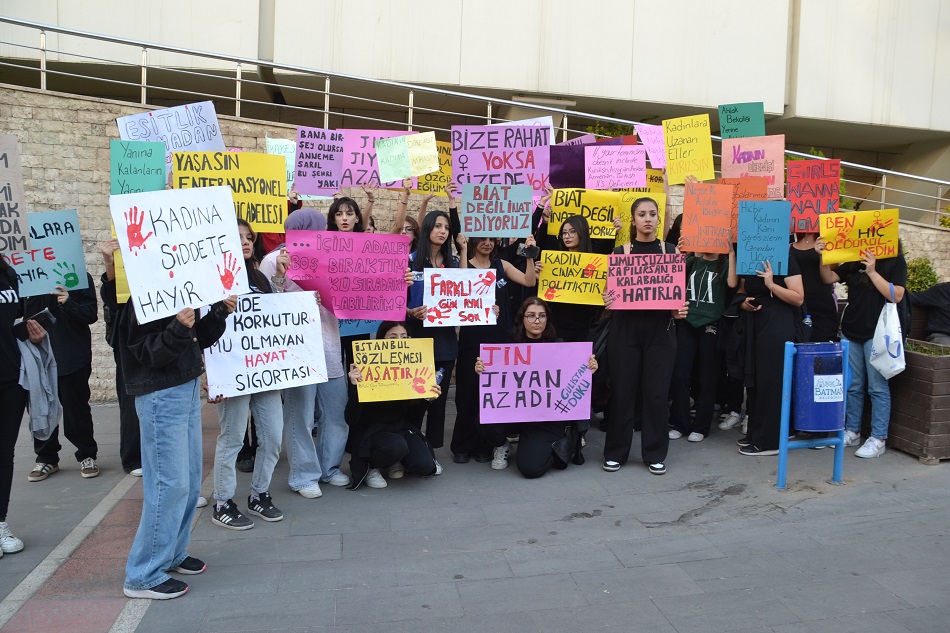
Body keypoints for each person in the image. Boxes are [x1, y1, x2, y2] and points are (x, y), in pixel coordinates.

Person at [117, 280, 236, 599]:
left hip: (183, 386)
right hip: (159, 394)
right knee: (168, 483)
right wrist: (177, 328)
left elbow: (199, 340)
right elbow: (143, 352)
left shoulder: (183, 289)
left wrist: (219, 313)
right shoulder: (143, 296)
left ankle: (171, 553)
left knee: (189, 479)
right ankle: (142, 574)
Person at [260, 209, 350, 497]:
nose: (324, 230)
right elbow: (264, 307)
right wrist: (280, 278)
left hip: (330, 347)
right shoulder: (274, 260)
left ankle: (330, 467)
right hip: (298, 352)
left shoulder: (330, 255)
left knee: (336, 412)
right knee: (300, 414)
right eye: (319, 226)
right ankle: (303, 476)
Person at [209, 220, 289, 530]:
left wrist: (280, 283)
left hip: (264, 369)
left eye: (248, 237)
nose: (245, 242)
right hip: (231, 373)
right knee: (232, 438)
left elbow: (276, 319)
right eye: (237, 236)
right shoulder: (214, 280)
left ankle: (259, 493)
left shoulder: (259, 276)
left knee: (271, 435)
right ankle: (223, 501)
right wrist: (209, 372)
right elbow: (205, 327)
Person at [602, 197, 688, 475]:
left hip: (660, 333)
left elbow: (677, 297)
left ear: (658, 219)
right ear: (633, 219)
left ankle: (654, 453)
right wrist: (608, 298)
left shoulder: (671, 252)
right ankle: (616, 452)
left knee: (656, 395)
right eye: (642, 214)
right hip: (624, 332)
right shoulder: (619, 253)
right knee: (622, 394)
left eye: (652, 213)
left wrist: (679, 311)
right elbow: (609, 294)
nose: (648, 218)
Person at [475, 297, 598, 478]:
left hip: (546, 419)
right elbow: (496, 383)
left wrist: (588, 369)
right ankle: (502, 445)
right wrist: (482, 369)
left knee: (531, 469)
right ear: (522, 319)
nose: (537, 321)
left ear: (548, 319)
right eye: (531, 316)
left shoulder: (562, 348)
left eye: (542, 316)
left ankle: (562, 440)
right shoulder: (508, 347)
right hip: (516, 413)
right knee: (484, 418)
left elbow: (575, 382)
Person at [451, 235, 536, 468]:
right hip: (471, 339)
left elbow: (529, 281)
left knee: (491, 395)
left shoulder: (502, 265)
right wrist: (464, 248)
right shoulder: (465, 265)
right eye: (482, 239)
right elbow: (460, 285)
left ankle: (485, 445)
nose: (487, 243)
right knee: (467, 394)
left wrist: (529, 254)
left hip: (500, 339)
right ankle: (461, 445)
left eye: (491, 239)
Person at [819, 243, 907, 458]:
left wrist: (872, 272)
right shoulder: (853, 258)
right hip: (852, 329)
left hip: (877, 333)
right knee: (853, 385)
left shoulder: (895, 261)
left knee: (877, 387)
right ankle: (852, 431)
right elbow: (828, 278)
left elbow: (896, 295)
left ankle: (878, 438)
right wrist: (823, 257)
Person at [345, 321, 441, 489]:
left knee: (425, 466)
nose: (399, 341)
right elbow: (350, 418)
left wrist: (427, 399)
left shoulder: (413, 367)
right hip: (371, 432)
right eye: (393, 336)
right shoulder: (365, 366)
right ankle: (371, 466)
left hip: (400, 428)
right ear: (382, 339)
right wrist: (355, 388)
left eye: (404, 337)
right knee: (396, 447)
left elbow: (413, 416)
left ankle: (398, 459)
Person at [23, 271, 99, 481]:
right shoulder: (26, 277)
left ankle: (87, 454)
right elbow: (15, 310)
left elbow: (91, 314)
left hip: (72, 353)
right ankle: (46, 457)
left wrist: (69, 302)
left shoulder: (78, 277)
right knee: (41, 406)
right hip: (38, 355)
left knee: (77, 408)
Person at [405, 211, 467, 448]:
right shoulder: (410, 261)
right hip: (416, 339)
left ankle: (430, 449)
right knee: (415, 397)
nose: (443, 231)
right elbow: (396, 299)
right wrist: (410, 312)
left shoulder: (451, 261)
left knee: (437, 400)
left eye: (447, 228)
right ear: (428, 228)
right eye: (438, 226)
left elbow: (465, 289)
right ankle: (410, 445)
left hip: (444, 342)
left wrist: (462, 251)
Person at [735, 247, 805, 456]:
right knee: (756, 380)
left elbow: (798, 298)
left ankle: (770, 440)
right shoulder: (748, 258)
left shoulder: (787, 259)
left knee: (771, 380)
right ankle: (757, 434)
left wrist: (771, 284)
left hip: (777, 325)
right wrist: (743, 303)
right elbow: (741, 290)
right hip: (755, 325)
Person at [668, 237, 738, 442]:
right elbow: (673, 276)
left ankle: (701, 426)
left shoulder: (724, 264)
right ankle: (680, 423)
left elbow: (732, 283)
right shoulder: (693, 262)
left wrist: (731, 253)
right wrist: (680, 254)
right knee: (680, 373)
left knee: (707, 376)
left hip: (711, 324)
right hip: (688, 323)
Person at [0, 256, 47, 557]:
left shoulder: (8, 274)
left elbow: (11, 322)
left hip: (8, 379)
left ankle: (0, 523)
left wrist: (32, 332)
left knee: (4, 453)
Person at [99, 238, 141, 476]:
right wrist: (109, 262)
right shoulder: (121, 261)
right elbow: (113, 301)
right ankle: (133, 456)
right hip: (128, 337)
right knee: (130, 398)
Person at [791, 232, 838, 342]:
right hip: (797, 305)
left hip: (822, 306)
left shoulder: (829, 241)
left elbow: (833, 271)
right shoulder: (789, 244)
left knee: (823, 344)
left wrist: (823, 254)